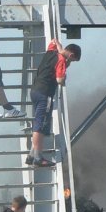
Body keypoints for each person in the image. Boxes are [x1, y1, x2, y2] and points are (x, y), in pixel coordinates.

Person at [27, 39, 81, 167]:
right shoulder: (61, 60)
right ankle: (38, 157)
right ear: (71, 55)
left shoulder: (51, 51)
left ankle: (31, 155)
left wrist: (60, 49)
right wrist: (65, 69)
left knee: (39, 123)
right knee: (40, 125)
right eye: (72, 60)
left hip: (35, 90)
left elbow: (54, 41)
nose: (70, 63)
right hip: (45, 93)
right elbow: (60, 79)